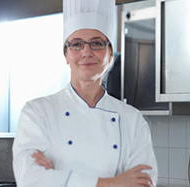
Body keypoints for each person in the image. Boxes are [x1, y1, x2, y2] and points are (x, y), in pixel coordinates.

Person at [12, 0, 158, 186]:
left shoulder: (132, 119)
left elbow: (144, 182)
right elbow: (29, 179)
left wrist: (58, 178)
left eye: (97, 43)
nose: (86, 52)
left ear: (110, 55)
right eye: (76, 44)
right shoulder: (37, 112)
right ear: (66, 54)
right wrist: (113, 182)